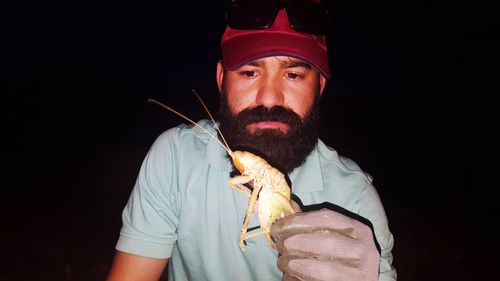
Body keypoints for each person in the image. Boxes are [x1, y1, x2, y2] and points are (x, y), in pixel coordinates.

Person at [106, 0, 396, 280]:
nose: (269, 97)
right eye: (249, 72)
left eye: (293, 74)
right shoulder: (175, 158)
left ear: (319, 88)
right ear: (221, 80)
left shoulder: (355, 201)